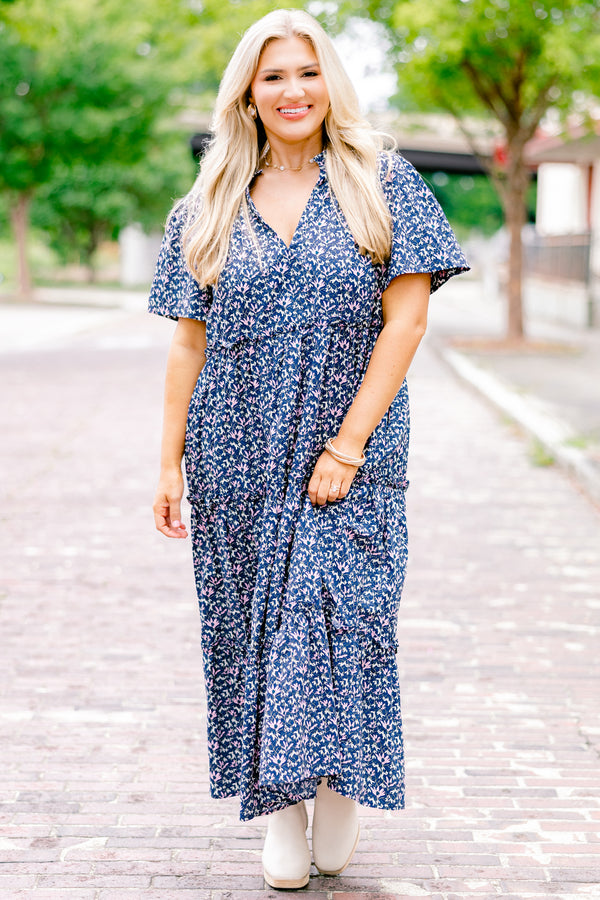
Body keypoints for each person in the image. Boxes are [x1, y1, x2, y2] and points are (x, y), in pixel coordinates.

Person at [149, 7, 468, 890]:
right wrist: (169, 461)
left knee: (339, 620)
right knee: (256, 626)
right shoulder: (207, 202)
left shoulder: (384, 181)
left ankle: (340, 786)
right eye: (273, 76)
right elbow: (188, 343)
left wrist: (350, 443)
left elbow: (407, 319)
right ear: (247, 95)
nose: (292, 91)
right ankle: (281, 810)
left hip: (352, 447)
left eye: (307, 72)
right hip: (237, 450)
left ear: (331, 83)